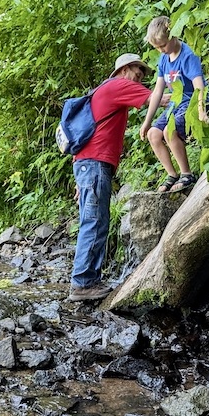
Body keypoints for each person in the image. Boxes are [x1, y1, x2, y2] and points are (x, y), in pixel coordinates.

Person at [69, 52, 164, 302]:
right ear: (124, 70)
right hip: (95, 164)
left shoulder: (103, 90)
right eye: (138, 72)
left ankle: (87, 280)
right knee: (95, 222)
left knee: (94, 220)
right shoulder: (118, 85)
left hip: (88, 165)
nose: (140, 78)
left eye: (143, 75)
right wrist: (192, 95)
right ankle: (83, 284)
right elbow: (158, 99)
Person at [139, 16, 208, 193]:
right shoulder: (164, 60)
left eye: (163, 45)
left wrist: (201, 110)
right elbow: (158, 92)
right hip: (176, 104)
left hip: (191, 102)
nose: (161, 50)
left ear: (173, 36)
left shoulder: (187, 56)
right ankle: (172, 174)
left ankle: (187, 174)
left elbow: (199, 85)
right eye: (157, 48)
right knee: (154, 134)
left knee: (170, 131)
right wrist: (147, 121)